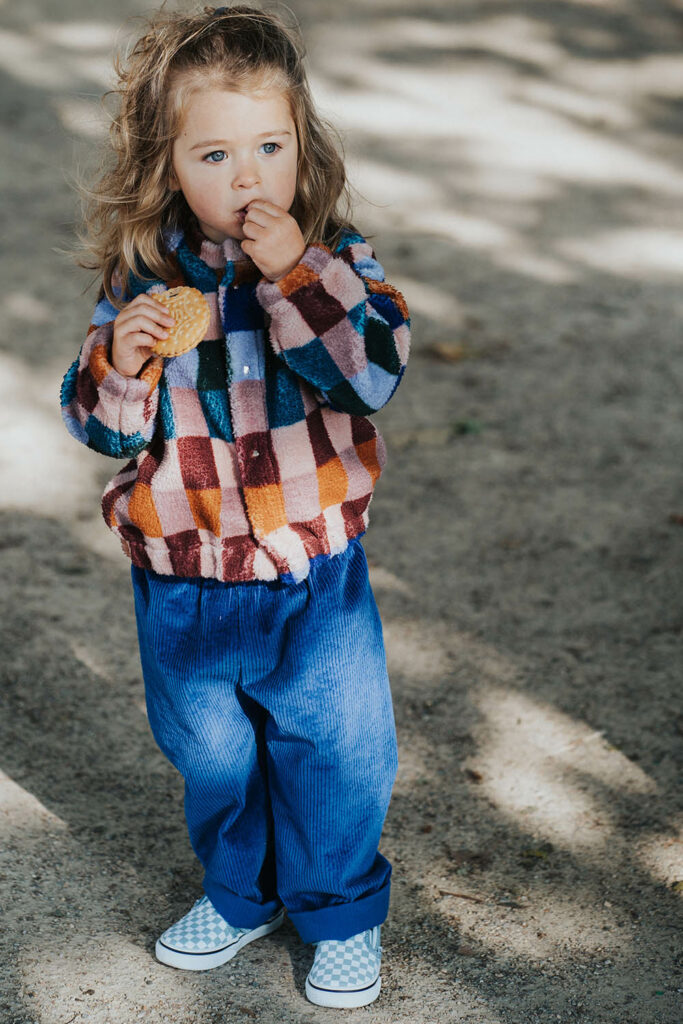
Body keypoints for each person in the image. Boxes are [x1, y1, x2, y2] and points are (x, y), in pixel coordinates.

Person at [61, 3, 410, 1010]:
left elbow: (370, 374)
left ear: (305, 146)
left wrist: (295, 273)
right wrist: (120, 367)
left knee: (337, 748)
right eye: (214, 153)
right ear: (166, 166)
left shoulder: (339, 259)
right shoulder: (142, 279)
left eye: (269, 145)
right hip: (184, 581)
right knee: (210, 754)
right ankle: (239, 890)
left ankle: (337, 905)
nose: (247, 175)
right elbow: (97, 423)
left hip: (312, 573)